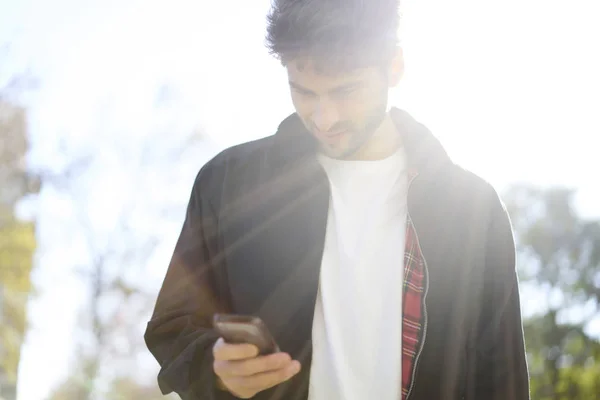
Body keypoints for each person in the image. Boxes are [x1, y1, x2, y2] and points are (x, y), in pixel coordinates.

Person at [144, 0, 530, 399]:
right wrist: (216, 369)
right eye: (303, 91)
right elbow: (172, 328)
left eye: (346, 91)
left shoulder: (472, 211)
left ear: (393, 66)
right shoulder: (227, 184)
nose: (324, 117)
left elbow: (502, 383)